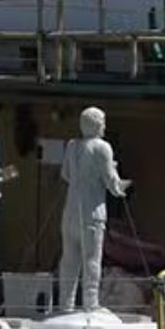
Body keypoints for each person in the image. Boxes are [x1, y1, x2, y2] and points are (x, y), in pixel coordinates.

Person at [58, 106, 130, 311]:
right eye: (103, 122)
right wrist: (118, 178)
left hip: (70, 211)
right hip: (92, 213)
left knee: (69, 259)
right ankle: (91, 303)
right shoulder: (103, 147)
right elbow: (112, 184)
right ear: (97, 124)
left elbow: (66, 175)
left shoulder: (72, 145)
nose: (105, 126)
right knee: (91, 258)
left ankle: (66, 304)